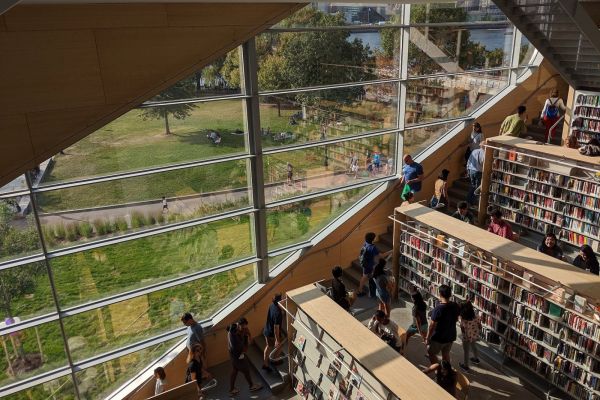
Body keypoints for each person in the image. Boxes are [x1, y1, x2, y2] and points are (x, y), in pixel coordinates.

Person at [425, 284, 460, 364]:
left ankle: (438, 371)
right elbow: (457, 319)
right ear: (450, 295)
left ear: (440, 294)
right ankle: (446, 371)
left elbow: (432, 326)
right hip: (450, 336)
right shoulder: (455, 305)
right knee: (446, 354)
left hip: (439, 338)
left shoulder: (438, 309)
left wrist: (427, 337)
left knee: (431, 353)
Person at [227, 323, 263, 396]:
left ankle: (231, 389)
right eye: (238, 328)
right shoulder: (236, 341)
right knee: (246, 371)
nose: (239, 328)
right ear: (235, 331)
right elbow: (244, 349)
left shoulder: (229, 333)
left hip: (233, 357)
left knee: (234, 371)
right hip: (239, 358)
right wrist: (245, 336)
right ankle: (251, 386)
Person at [357, 232, 391, 298]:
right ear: (373, 239)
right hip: (369, 265)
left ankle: (360, 290)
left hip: (365, 264)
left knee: (365, 277)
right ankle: (371, 293)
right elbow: (381, 256)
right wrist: (391, 251)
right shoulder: (372, 247)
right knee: (371, 278)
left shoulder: (365, 244)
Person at [181, 313, 209, 379]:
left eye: (185, 322)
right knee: (194, 366)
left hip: (195, 352)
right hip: (191, 351)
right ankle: (201, 376)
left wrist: (203, 352)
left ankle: (205, 376)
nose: (184, 324)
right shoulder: (190, 326)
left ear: (190, 320)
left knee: (197, 365)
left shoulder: (197, 328)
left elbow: (202, 341)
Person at [262, 293, 284, 372]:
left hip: (267, 331)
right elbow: (276, 327)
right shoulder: (278, 313)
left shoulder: (271, 306)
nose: (283, 300)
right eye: (282, 299)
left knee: (268, 347)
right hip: (271, 334)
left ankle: (265, 364)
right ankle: (274, 360)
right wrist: (277, 340)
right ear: (279, 301)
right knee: (280, 346)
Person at [458, 301, 481, 372]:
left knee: (466, 351)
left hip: (466, 337)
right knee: (474, 346)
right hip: (474, 335)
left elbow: (463, 330)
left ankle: (465, 366)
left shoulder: (463, 319)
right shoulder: (476, 316)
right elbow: (480, 326)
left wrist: (464, 337)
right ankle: (476, 359)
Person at [466, 142, 484, 207]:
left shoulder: (474, 151)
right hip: (478, 171)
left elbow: (469, 160)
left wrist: (467, 169)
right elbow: (482, 162)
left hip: (471, 170)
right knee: (477, 188)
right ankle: (472, 203)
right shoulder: (484, 153)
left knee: (472, 185)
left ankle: (467, 200)